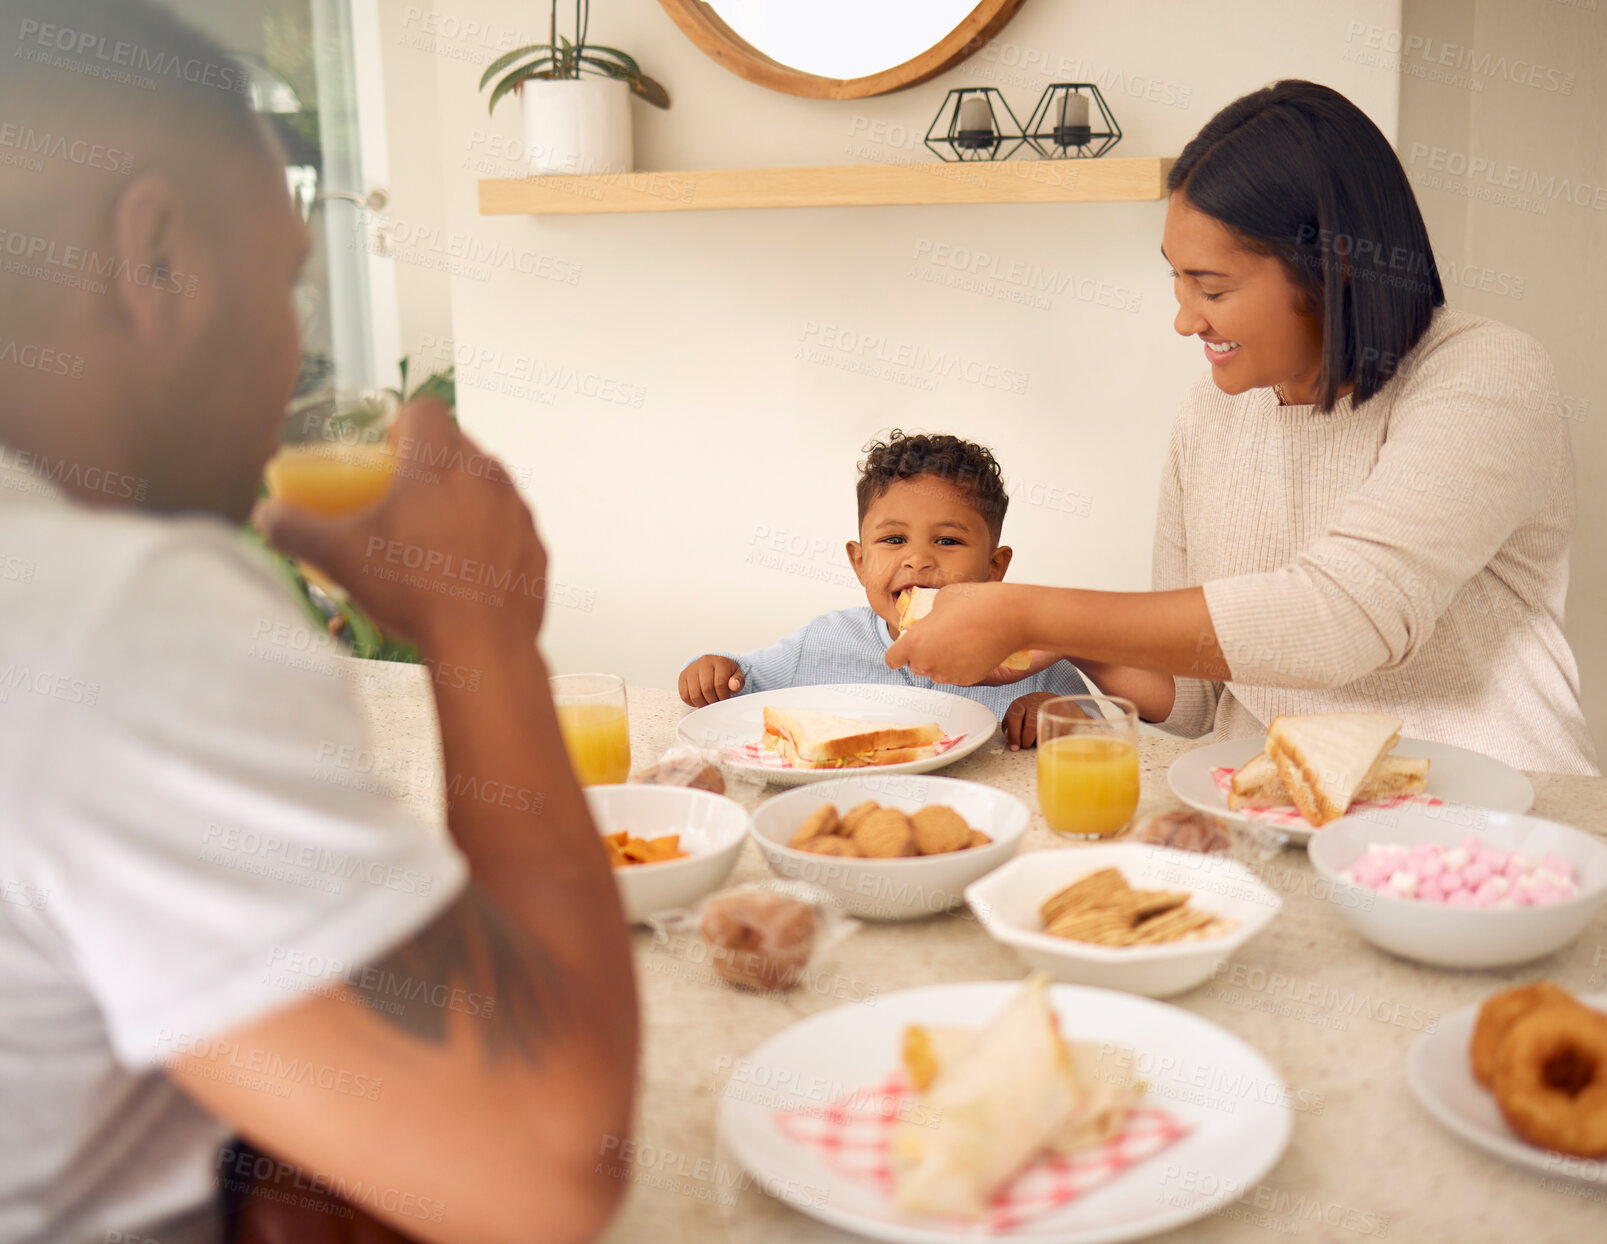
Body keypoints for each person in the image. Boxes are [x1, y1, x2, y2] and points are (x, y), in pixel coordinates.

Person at [0, 2, 636, 1242]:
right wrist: (478, 627)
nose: (296, 344)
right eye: (287, 280)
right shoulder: (108, 608)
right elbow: (546, 1171)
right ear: (156, 258)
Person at [885, 79, 1598, 776]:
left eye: (1213, 288)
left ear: (1332, 268)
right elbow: (1195, 700)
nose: (1185, 318)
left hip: (1491, 820)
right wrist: (1052, 642)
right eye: (1177, 279)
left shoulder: (1482, 374)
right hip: (1267, 813)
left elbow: (1344, 619)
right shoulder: (1212, 409)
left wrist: (1032, 613)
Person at [678, 432, 1091, 749]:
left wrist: (1057, 716)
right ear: (859, 562)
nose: (918, 560)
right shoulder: (823, 640)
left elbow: (1102, 728)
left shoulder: (1030, 658)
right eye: (894, 540)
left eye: (947, 541)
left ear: (994, 568)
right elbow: (743, 682)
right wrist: (714, 669)